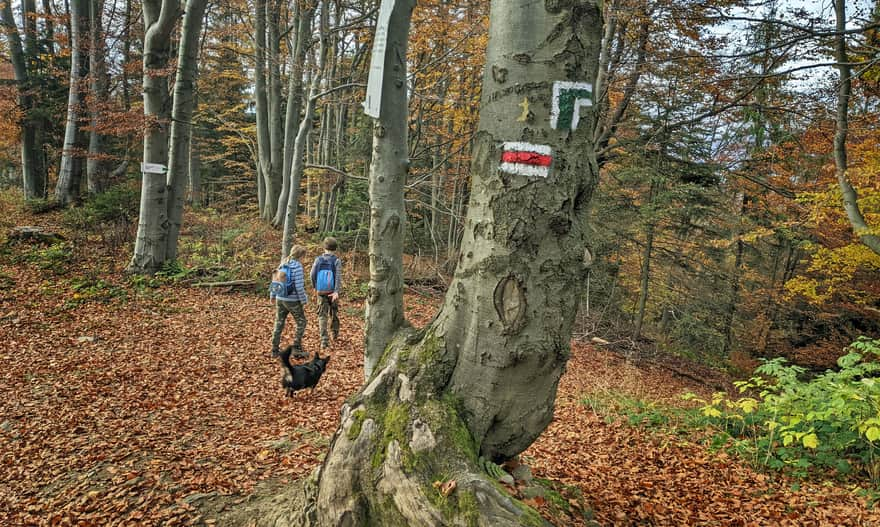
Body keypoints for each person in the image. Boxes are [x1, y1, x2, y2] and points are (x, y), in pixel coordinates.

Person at [271, 245, 309, 359]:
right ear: (301, 256)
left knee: (279, 323)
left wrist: (272, 295)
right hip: (292, 301)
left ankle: (274, 350)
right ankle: (296, 349)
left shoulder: (283, 263)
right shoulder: (297, 267)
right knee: (302, 322)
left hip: (280, 298)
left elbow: (275, 280)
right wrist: (303, 300)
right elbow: (299, 286)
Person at [310, 237, 342, 349]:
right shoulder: (337, 261)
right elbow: (338, 277)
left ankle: (324, 341)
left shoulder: (318, 260)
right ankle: (335, 334)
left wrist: (315, 287)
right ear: (335, 249)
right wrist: (336, 291)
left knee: (322, 316)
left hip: (321, 292)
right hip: (333, 293)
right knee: (334, 313)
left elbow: (312, 274)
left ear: (324, 247)